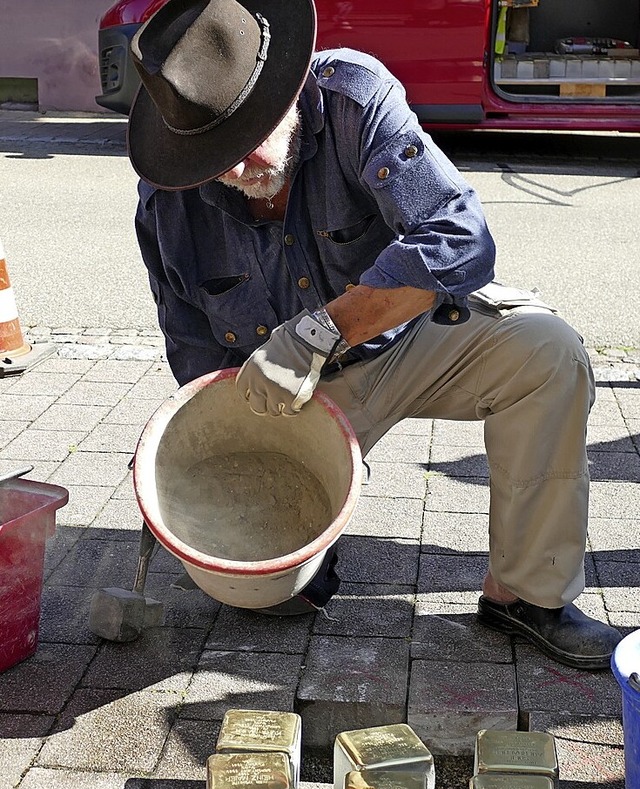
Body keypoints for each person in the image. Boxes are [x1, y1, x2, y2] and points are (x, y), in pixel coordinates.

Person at [127, 0, 622, 669]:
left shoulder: (356, 101)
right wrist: (184, 455)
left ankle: (527, 597)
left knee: (546, 353)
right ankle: (303, 557)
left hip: (402, 341)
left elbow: (460, 241)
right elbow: (193, 351)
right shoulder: (168, 202)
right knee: (267, 598)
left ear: (287, 88)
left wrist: (320, 331)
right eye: (216, 150)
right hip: (283, 393)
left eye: (252, 135)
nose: (240, 166)